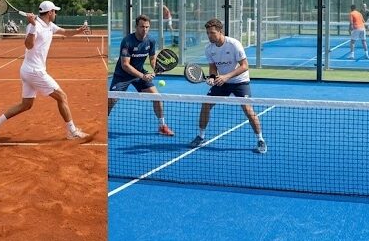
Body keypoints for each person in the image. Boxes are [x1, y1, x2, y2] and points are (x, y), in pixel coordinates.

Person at [0, 0, 92, 141]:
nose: (56, 13)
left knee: (26, 104)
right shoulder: (33, 26)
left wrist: (78, 31)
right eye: (55, 11)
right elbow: (28, 45)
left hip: (28, 70)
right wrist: (34, 26)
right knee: (62, 97)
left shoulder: (49, 25)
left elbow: (65, 32)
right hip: (34, 71)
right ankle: (72, 131)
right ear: (49, 13)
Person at [188, 18, 265, 154]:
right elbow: (213, 67)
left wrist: (226, 76)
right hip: (222, 82)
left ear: (220, 31)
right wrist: (212, 78)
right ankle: (201, 136)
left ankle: (260, 140)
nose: (209, 36)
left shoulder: (234, 44)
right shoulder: (209, 49)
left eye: (212, 33)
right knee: (206, 105)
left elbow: (245, 66)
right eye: (207, 33)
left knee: (248, 110)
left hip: (240, 82)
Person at [108, 14, 172, 136]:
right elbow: (125, 65)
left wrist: (156, 68)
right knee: (112, 100)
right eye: (142, 27)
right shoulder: (127, 41)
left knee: (157, 97)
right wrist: (143, 76)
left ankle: (162, 126)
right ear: (136, 27)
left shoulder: (151, 40)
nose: (145, 29)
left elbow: (153, 59)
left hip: (140, 72)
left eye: (147, 27)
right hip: (122, 75)